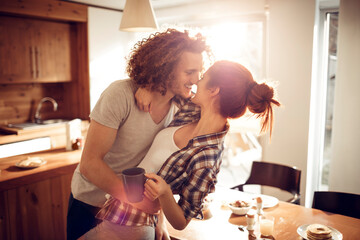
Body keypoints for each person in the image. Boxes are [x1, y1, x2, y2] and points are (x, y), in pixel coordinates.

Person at [80, 60, 281, 239]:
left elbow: (182, 221)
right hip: (115, 211)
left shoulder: (208, 157)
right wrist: (147, 88)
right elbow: (170, 87)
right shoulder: (192, 111)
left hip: (133, 226)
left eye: (202, 78)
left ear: (214, 90)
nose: (196, 82)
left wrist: (165, 193)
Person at [67, 28, 211, 240]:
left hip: (133, 211)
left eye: (199, 72)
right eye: (189, 72)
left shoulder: (180, 109)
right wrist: (134, 199)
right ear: (165, 69)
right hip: (91, 205)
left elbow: (162, 168)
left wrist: (158, 217)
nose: (196, 79)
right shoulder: (120, 95)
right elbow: (90, 164)